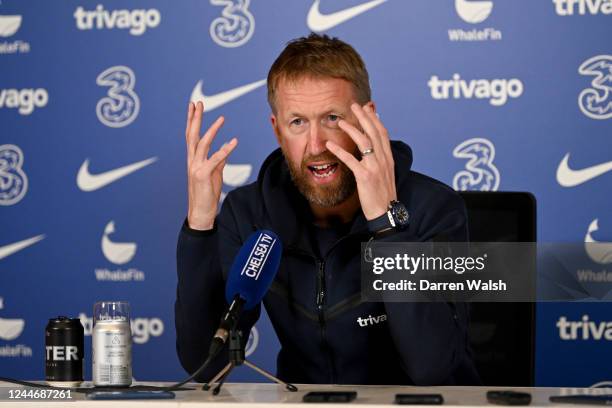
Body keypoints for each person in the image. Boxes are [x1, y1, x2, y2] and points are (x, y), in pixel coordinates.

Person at [175, 33, 480, 385]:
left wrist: (387, 224)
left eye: (332, 118)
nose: (316, 145)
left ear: (368, 119)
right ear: (277, 131)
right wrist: (199, 225)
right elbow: (205, 365)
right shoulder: (248, 214)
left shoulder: (434, 209)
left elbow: (433, 368)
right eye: (298, 123)